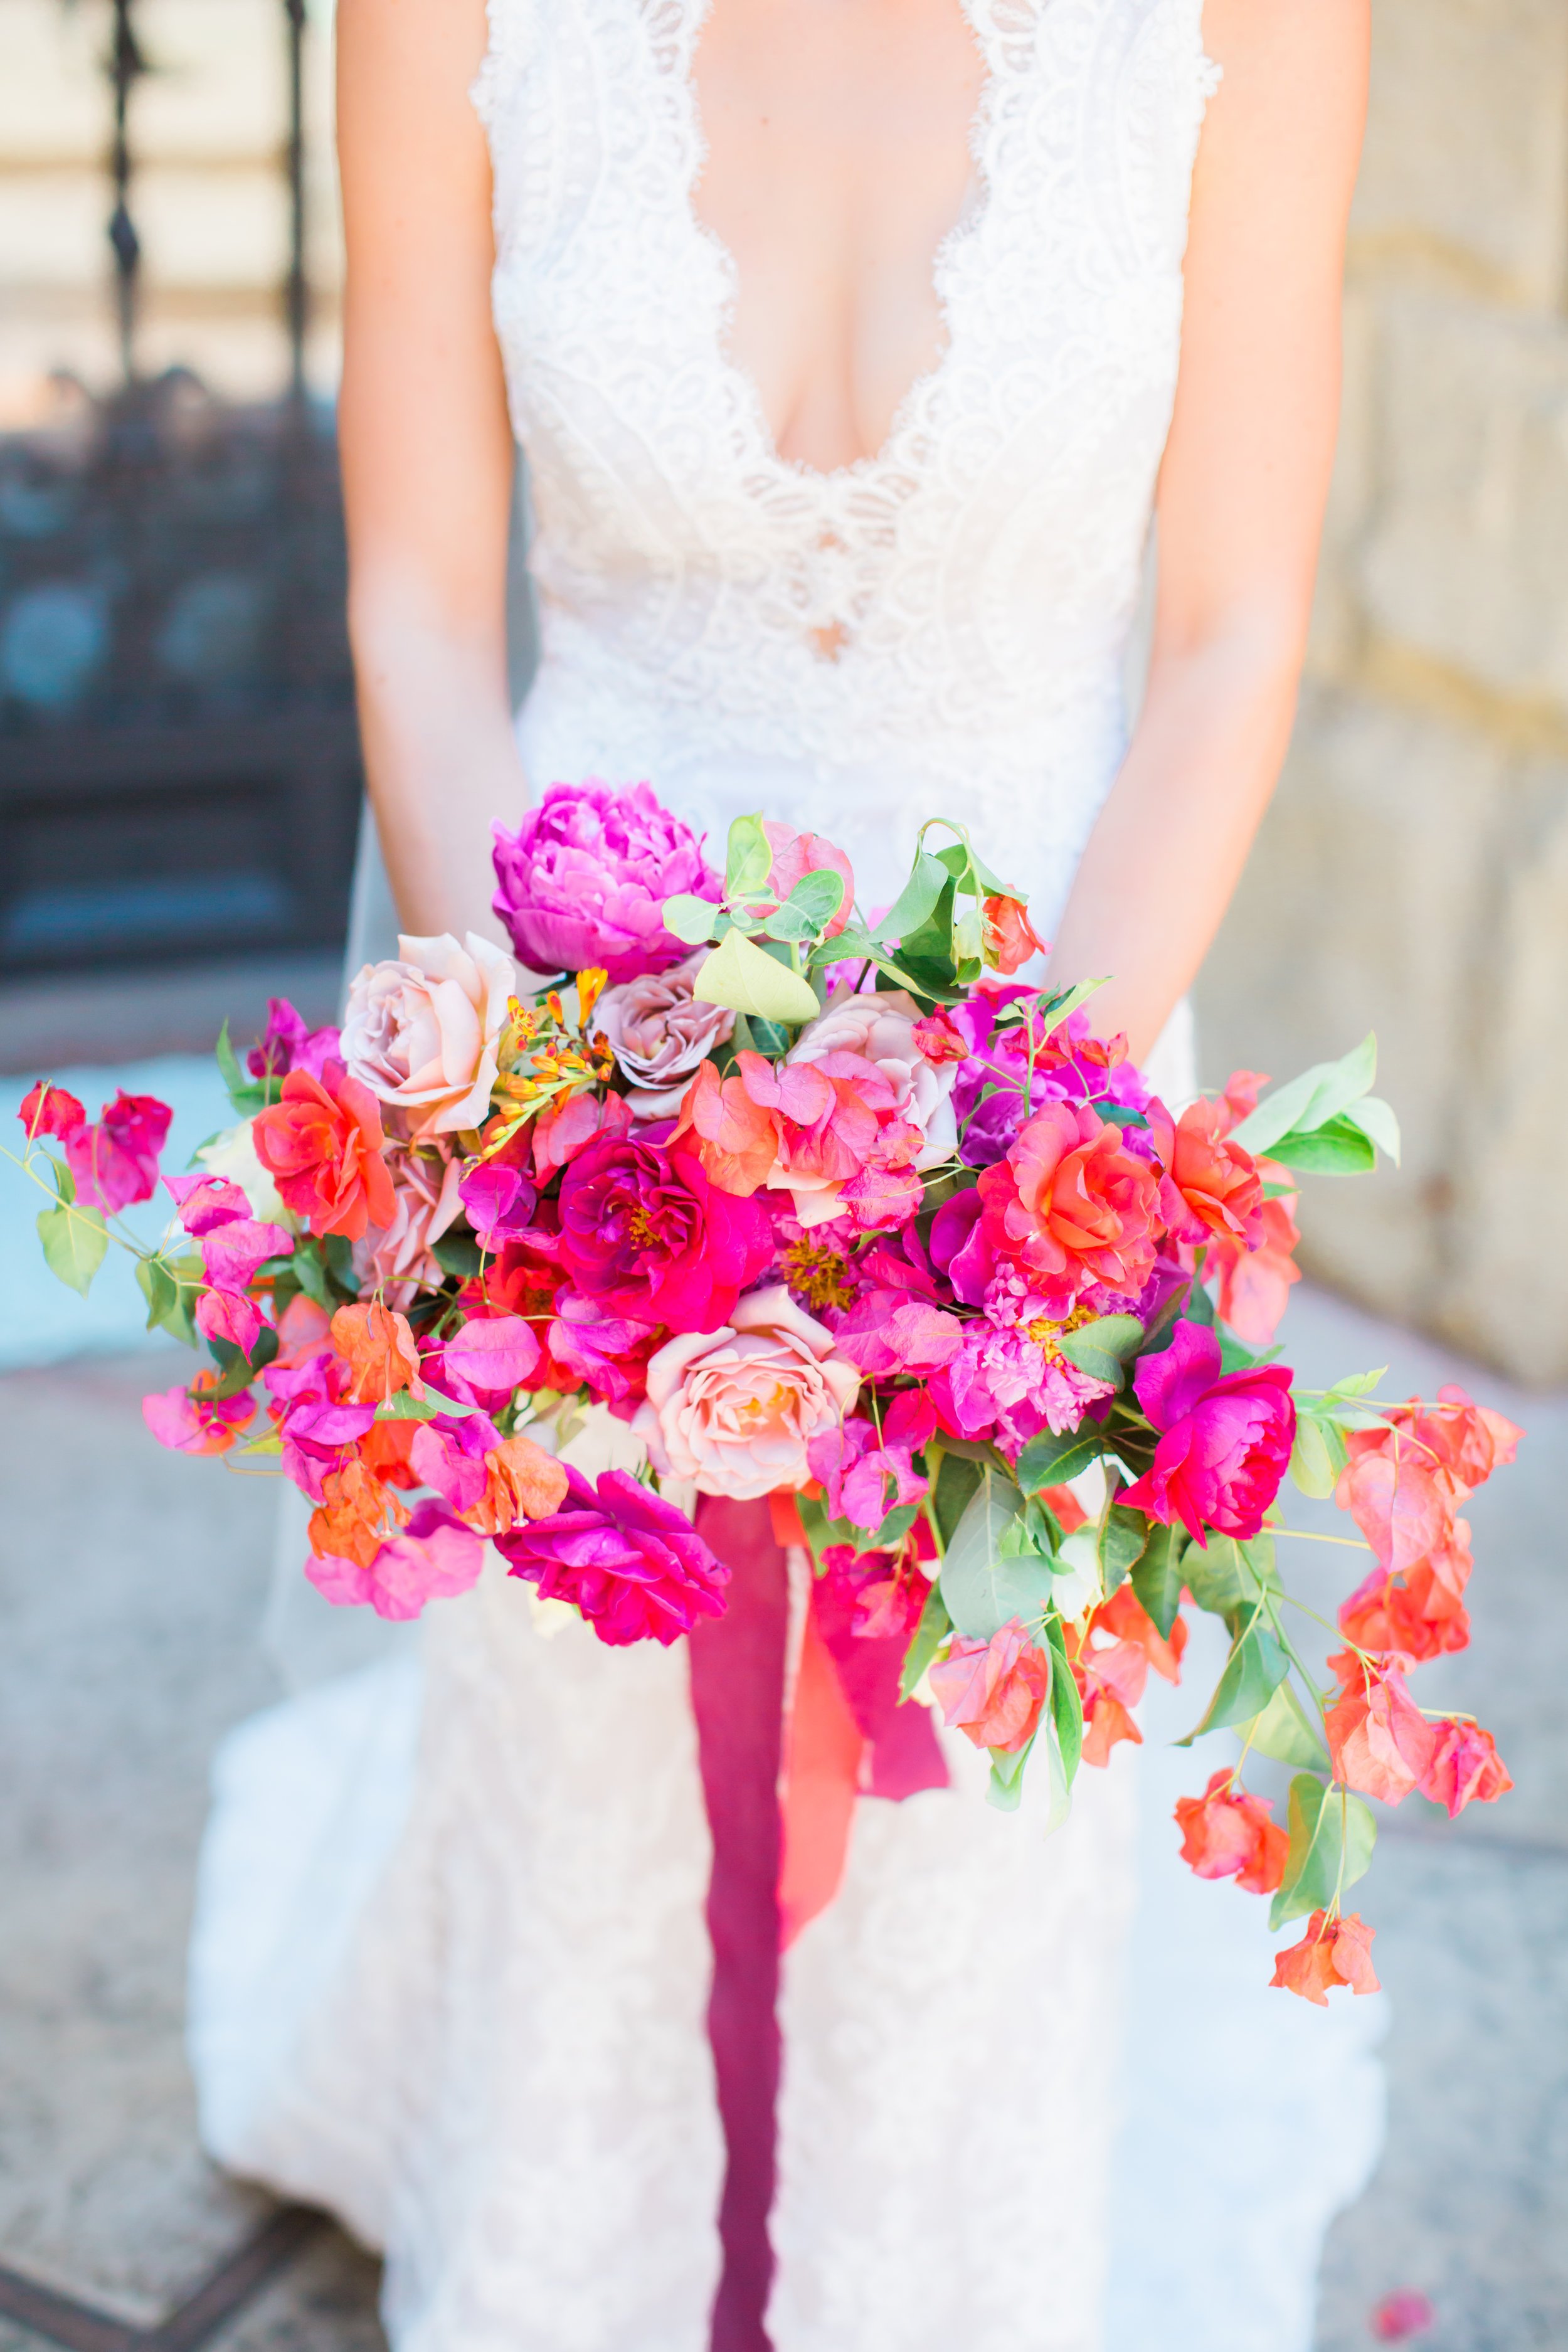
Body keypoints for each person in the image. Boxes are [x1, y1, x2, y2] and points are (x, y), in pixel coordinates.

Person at [188, 3, 1380, 2348]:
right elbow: (421, 604)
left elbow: (1234, 632)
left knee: (976, 1852)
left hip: (1060, 1063)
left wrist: (1030, 1158)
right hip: (578, 1078)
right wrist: (536, 1105)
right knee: (598, 1773)